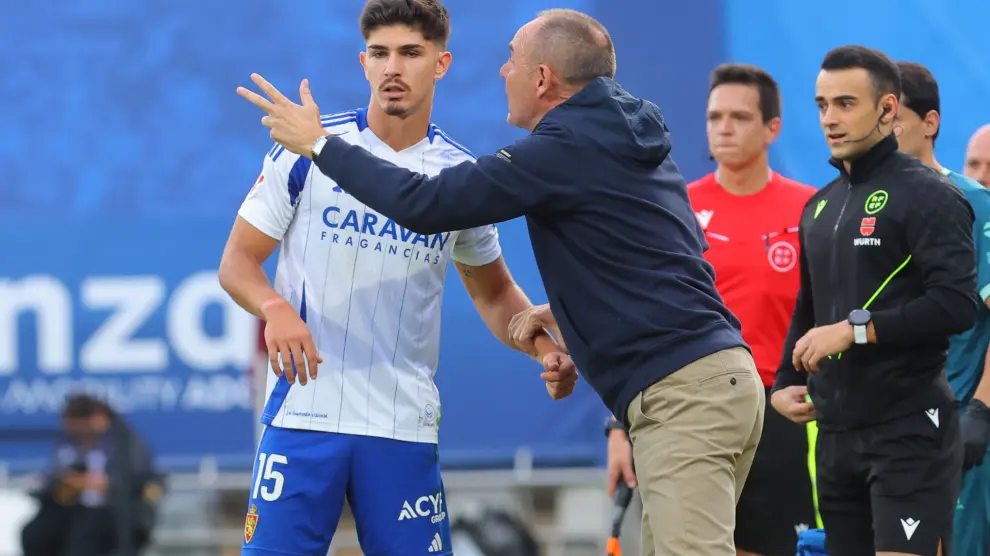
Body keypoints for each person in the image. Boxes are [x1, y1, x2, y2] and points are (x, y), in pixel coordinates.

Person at [238, 8, 765, 556]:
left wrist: (320, 144)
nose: (502, 72)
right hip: (702, 385)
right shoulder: (620, 139)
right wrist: (556, 328)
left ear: (541, 79)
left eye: (511, 59)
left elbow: (429, 207)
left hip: (675, 395)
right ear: (363, 60)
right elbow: (657, 261)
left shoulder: (553, 150)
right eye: (380, 52)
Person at [219, 1, 575, 554]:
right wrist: (274, 308)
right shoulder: (304, 150)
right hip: (304, 416)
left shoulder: (461, 176)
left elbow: (496, 291)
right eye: (380, 54)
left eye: (411, 53)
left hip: (401, 425)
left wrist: (541, 346)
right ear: (363, 62)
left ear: (441, 63)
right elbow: (237, 264)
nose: (393, 68)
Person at [600, 63, 819, 556]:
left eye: (739, 117)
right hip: (688, 409)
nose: (723, 127)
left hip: (783, 415)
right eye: (714, 116)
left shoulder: (810, 210)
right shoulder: (674, 206)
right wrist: (618, 428)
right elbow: (635, 319)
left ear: (772, 129)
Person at [770, 45, 978, 556]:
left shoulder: (930, 194)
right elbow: (809, 305)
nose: (829, 119)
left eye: (845, 103)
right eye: (821, 105)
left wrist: (855, 330)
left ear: (888, 110)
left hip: (909, 430)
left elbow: (955, 305)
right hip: (836, 435)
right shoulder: (819, 205)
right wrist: (786, 382)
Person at [893, 60, 990, 556]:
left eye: (896, 115)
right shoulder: (856, 205)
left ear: (930, 123)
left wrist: (980, 409)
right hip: (881, 428)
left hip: (953, 423)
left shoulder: (975, 203)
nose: (884, 128)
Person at [21, 394, 163, 556]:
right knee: (36, 533)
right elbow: (57, 479)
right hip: (74, 515)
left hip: (116, 517)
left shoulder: (126, 444)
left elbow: (133, 481)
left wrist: (86, 483)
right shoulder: (69, 445)